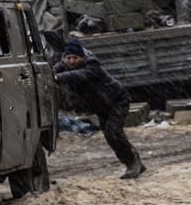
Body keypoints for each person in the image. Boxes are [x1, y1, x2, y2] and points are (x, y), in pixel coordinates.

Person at [54, 39, 145, 178]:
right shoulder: (64, 66)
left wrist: (57, 77)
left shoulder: (93, 66)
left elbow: (81, 75)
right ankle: (133, 162)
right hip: (100, 106)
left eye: (75, 58)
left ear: (82, 57)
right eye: (69, 58)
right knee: (110, 136)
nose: (71, 61)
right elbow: (52, 71)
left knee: (114, 132)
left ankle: (133, 163)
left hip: (117, 101)